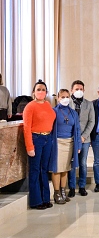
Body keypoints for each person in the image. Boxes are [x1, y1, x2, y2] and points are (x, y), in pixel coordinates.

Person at [22, 80, 56, 209]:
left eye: (43, 89)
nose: (41, 91)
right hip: (36, 138)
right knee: (35, 170)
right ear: (33, 92)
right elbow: (26, 128)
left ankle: (45, 198)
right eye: (38, 89)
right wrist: (29, 147)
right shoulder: (30, 106)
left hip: (47, 139)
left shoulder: (48, 105)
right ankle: (36, 201)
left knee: (44, 170)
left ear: (46, 92)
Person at [49, 89, 81, 204]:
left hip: (70, 143)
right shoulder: (53, 111)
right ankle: (56, 193)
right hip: (57, 143)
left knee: (66, 169)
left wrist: (78, 145)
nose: (65, 99)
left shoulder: (73, 113)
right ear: (58, 98)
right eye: (62, 97)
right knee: (57, 169)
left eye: (67, 96)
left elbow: (77, 129)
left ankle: (63, 192)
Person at [67, 80, 95, 197]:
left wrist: (83, 136)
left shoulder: (89, 104)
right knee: (72, 163)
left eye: (81, 89)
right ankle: (72, 187)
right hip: (70, 138)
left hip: (84, 139)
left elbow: (91, 121)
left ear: (84, 90)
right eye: (76, 89)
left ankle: (82, 186)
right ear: (71, 91)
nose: (79, 91)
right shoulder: (67, 103)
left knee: (82, 163)